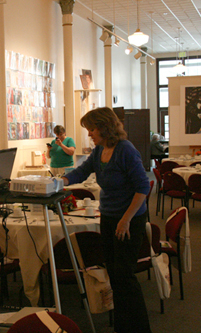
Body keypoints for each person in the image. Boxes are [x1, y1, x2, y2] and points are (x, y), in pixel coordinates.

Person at [62, 107, 151, 333]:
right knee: (113, 273)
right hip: (110, 217)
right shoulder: (100, 150)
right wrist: (60, 181)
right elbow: (81, 172)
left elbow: (142, 188)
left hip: (129, 219)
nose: (89, 134)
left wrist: (126, 219)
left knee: (125, 276)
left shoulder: (126, 150)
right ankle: (123, 327)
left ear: (104, 126)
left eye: (91, 129)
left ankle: (140, 328)